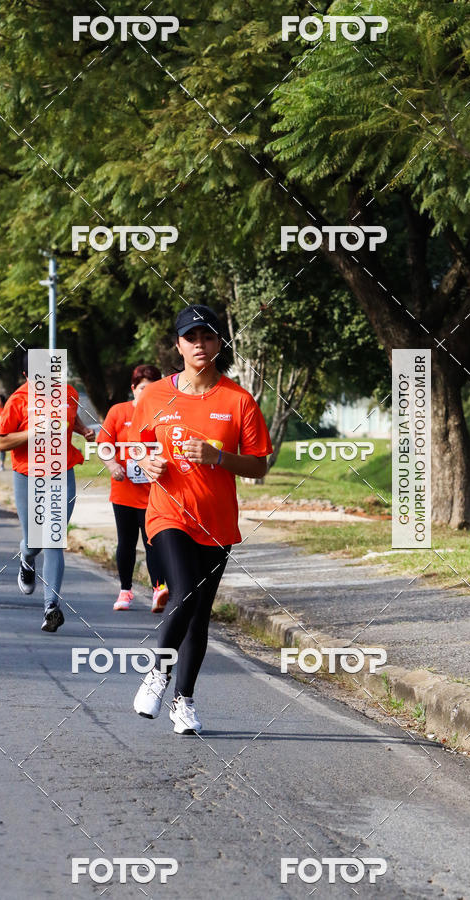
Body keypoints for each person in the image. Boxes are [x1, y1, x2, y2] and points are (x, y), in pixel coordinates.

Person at [132, 305, 272, 734]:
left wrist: (219, 457)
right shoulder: (155, 395)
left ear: (218, 344)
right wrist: (147, 463)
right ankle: (157, 674)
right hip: (167, 513)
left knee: (199, 613)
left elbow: (259, 465)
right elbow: (139, 448)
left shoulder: (237, 400)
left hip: (216, 522)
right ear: (178, 345)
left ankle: (184, 701)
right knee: (184, 591)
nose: (199, 345)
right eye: (191, 337)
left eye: (207, 337)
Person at [0, 352, 95, 633]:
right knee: (35, 541)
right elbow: (3, 442)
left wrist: (83, 430)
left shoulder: (69, 393)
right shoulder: (18, 400)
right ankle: (26, 558)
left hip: (62, 471)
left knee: (54, 538)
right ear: (28, 376)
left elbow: (70, 417)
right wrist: (33, 432)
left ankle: (51, 607)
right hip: (28, 475)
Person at [97, 364, 168, 613]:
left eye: (151, 389)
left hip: (154, 493)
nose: (146, 393)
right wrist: (113, 465)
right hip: (124, 491)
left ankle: (159, 589)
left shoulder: (164, 414)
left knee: (153, 542)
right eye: (142, 389)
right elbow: (104, 445)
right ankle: (125, 591)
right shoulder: (119, 411)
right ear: (133, 389)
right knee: (126, 542)